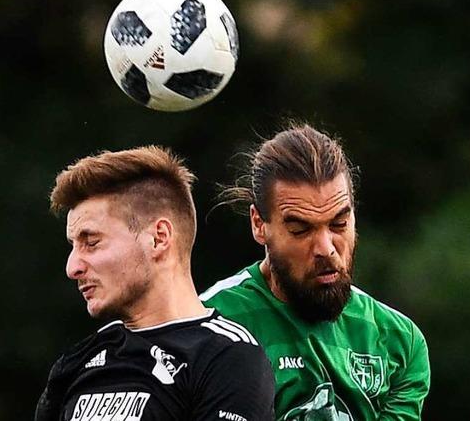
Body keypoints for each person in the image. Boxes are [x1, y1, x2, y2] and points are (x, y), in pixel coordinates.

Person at [201, 124, 430, 421]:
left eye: (338, 225)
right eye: (300, 229)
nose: (326, 248)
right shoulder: (208, 323)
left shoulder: (399, 341)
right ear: (259, 225)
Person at [35, 146, 274, 421]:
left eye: (91, 242)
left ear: (158, 238)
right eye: (73, 246)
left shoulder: (227, 358)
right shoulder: (78, 362)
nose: (72, 267)